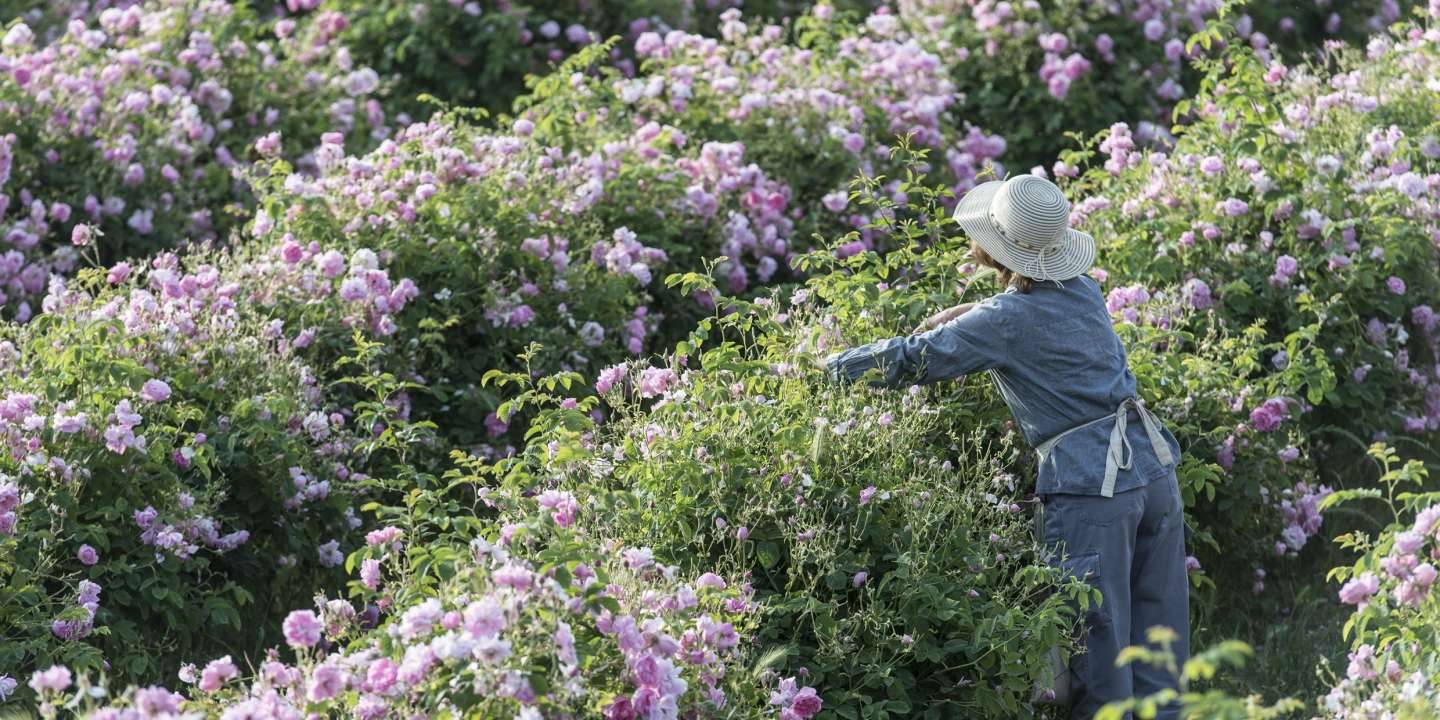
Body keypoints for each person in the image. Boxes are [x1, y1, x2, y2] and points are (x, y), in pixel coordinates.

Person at [823, 174, 1190, 719]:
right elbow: (1022, 312)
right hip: (1154, 473)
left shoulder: (1004, 321)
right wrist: (967, 312)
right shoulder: (1081, 288)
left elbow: (913, 358)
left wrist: (828, 368)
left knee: (1099, 654)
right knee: (1160, 646)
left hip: (1094, 490)